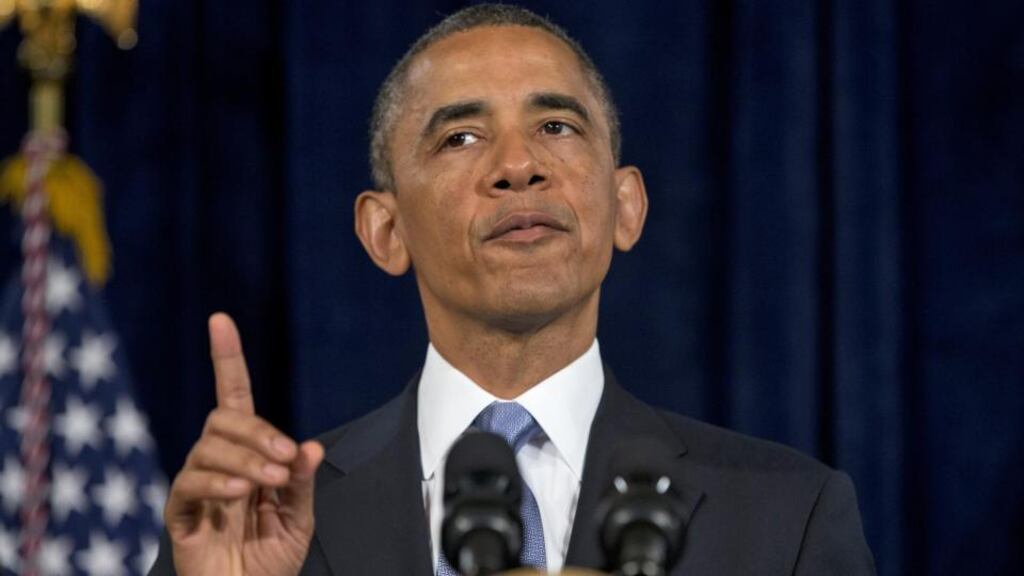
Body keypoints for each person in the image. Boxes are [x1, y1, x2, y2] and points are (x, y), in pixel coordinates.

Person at [151, 4, 875, 575]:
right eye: (460, 137)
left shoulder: (787, 516)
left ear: (626, 207)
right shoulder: (265, 523)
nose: (518, 165)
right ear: (385, 231)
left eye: (556, 125)